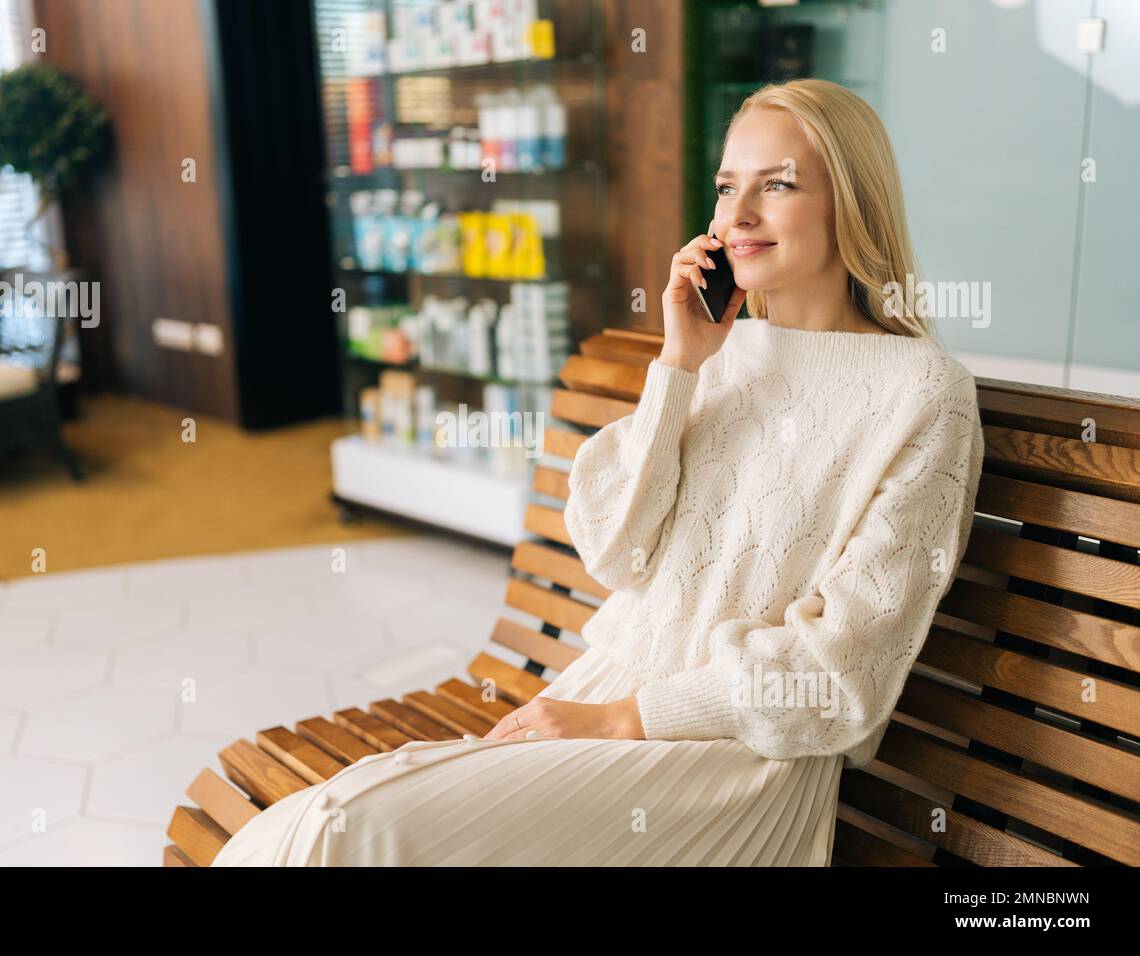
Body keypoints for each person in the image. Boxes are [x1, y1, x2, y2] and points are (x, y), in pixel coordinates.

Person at [211, 77, 985, 867]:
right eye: (726, 188)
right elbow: (618, 550)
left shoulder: (923, 394)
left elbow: (839, 677)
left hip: (736, 754)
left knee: (352, 829)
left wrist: (622, 719)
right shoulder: (720, 353)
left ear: (851, 203)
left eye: (778, 185)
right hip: (609, 691)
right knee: (292, 827)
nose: (737, 216)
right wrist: (679, 363)